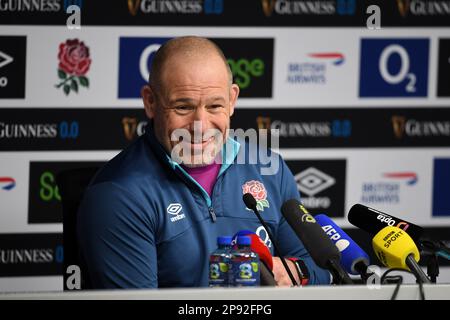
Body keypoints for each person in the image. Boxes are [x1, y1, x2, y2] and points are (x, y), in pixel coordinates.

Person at [77, 36, 330, 288]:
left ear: (232, 100)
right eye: (183, 107)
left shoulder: (271, 170)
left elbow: (322, 271)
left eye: (214, 106)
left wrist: (297, 271)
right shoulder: (118, 194)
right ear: (150, 102)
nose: (200, 126)